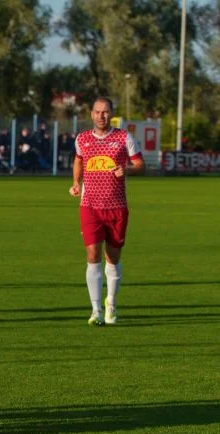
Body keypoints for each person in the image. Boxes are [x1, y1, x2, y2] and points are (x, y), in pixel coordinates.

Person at [69, 97, 144, 325]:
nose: (101, 116)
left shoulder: (124, 137)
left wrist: (126, 169)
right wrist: (76, 182)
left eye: (105, 112)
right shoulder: (82, 139)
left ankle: (110, 303)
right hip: (89, 206)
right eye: (97, 111)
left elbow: (140, 165)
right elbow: (78, 161)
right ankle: (96, 310)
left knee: (112, 258)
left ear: (111, 114)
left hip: (116, 207)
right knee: (92, 256)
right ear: (91, 114)